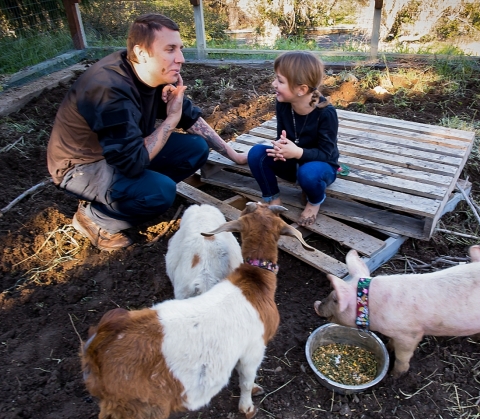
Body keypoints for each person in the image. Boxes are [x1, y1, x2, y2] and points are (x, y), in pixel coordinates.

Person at [47, 13, 246, 251]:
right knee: (160, 192)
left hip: (123, 151)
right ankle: (96, 218)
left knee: (196, 148)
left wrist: (233, 155)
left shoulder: (151, 72)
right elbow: (132, 162)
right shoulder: (109, 90)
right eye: (170, 49)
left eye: (180, 49)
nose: (181, 58)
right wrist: (171, 119)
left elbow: (189, 117)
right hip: (82, 166)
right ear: (142, 53)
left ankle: (138, 193)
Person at [247, 51, 339, 226]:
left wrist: (297, 152)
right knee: (256, 153)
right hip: (292, 162)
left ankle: (314, 202)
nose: (274, 84)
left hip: (321, 166)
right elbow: (282, 136)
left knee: (309, 174)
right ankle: (273, 199)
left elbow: (326, 154)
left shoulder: (326, 113)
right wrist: (280, 148)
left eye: (280, 81)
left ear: (301, 89)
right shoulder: (283, 104)